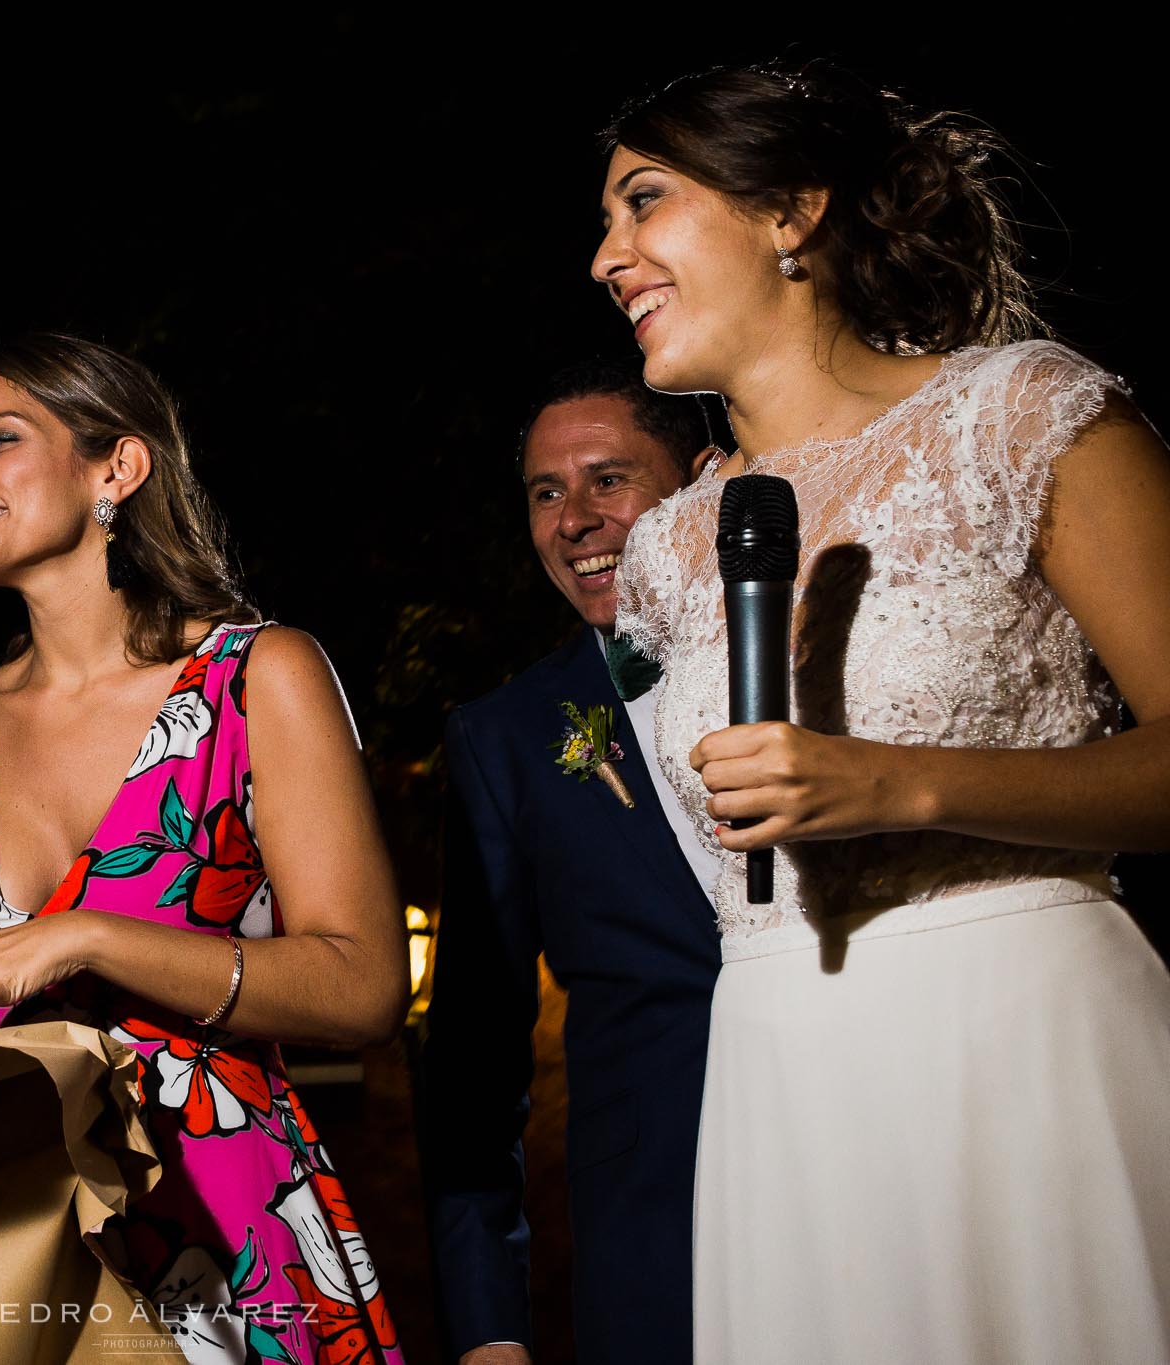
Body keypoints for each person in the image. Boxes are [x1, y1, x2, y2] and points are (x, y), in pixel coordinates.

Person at [592, 61, 1170, 1362]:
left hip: (1022, 1042)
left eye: (642, 203)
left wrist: (900, 781)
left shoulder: (1020, 415)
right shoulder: (668, 547)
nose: (605, 257)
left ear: (790, 210)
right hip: (781, 1065)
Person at [0, 333, 409, 1363]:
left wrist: (86, 937)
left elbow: (365, 986)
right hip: (26, 1230)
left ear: (116, 467)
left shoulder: (258, 678)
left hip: (227, 1216)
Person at [422, 359, 723, 1365]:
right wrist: (486, 1324)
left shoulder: (833, 660)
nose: (573, 518)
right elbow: (472, 1058)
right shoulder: (508, 737)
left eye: (607, 479)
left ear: (704, 480)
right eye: (545, 494)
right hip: (653, 1242)